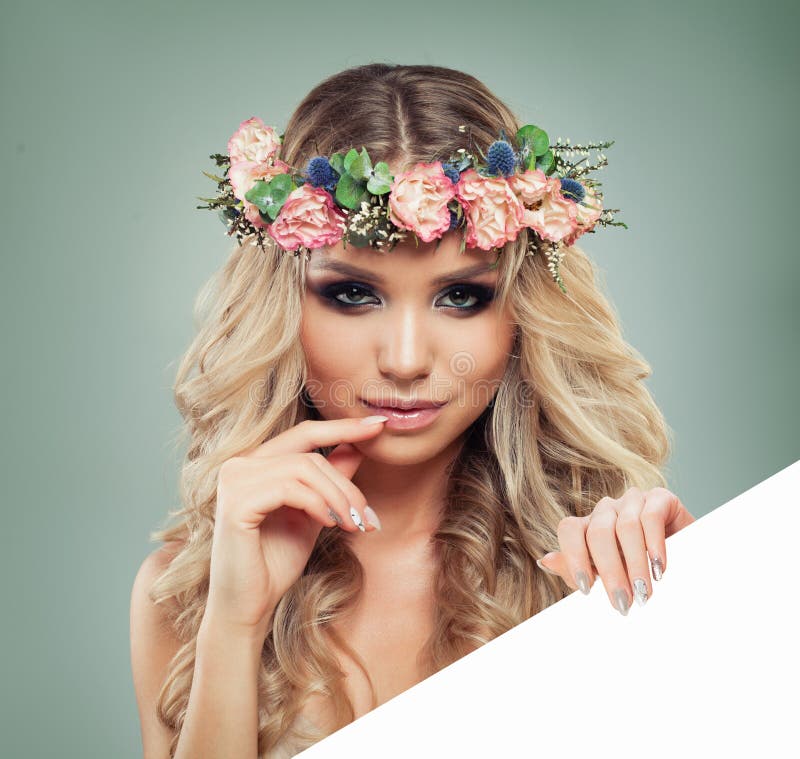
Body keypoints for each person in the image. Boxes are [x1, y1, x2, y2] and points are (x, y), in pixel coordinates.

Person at [129, 62, 696, 758]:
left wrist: (698, 600)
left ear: (522, 315)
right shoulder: (187, 590)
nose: (404, 360)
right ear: (282, 306)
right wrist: (235, 625)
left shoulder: (594, 560)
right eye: (352, 294)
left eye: (460, 296)